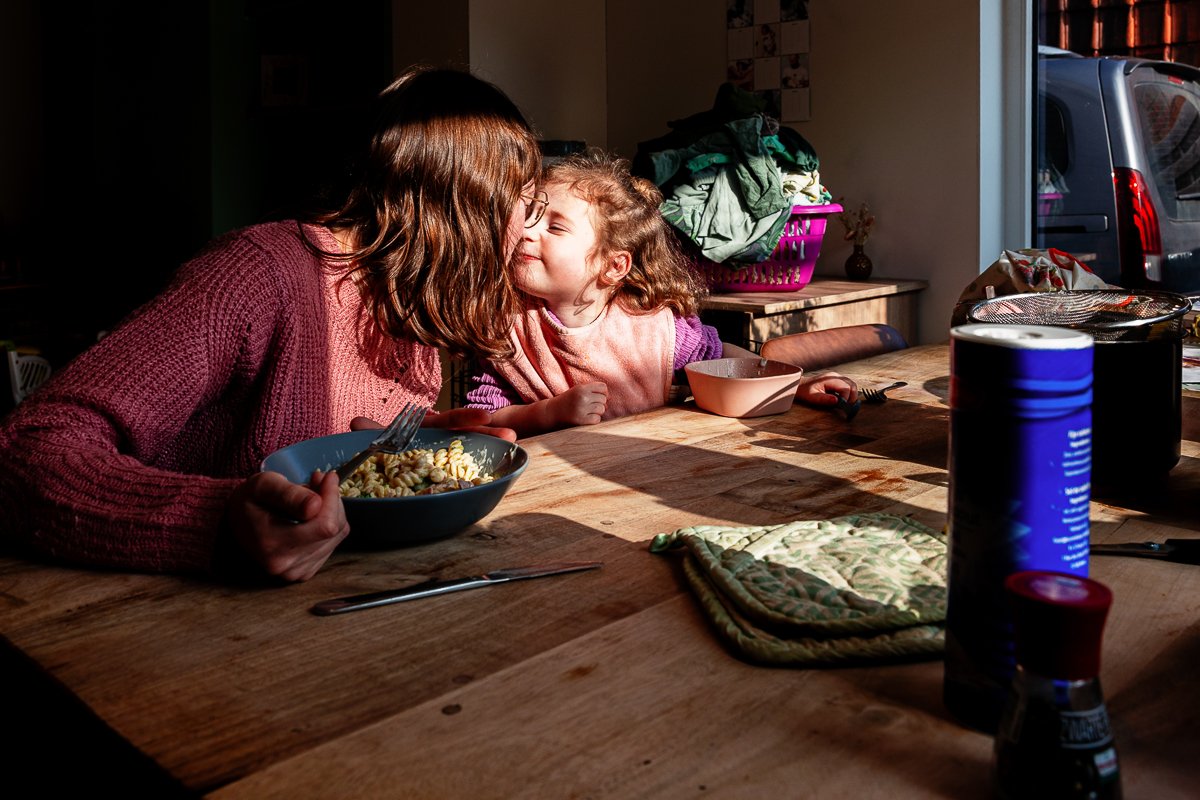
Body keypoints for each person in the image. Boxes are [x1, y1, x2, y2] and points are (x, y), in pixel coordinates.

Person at [0, 66, 542, 582]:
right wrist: (216, 521)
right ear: (469, 209)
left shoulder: (409, 303)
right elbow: (27, 449)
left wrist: (415, 442)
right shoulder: (258, 275)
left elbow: (321, 443)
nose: (526, 231)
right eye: (525, 204)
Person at [465, 151, 857, 438]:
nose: (526, 231)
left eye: (555, 227)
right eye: (530, 217)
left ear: (612, 266)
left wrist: (796, 386)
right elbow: (482, 419)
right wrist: (549, 413)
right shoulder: (506, 328)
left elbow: (721, 359)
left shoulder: (654, 327)